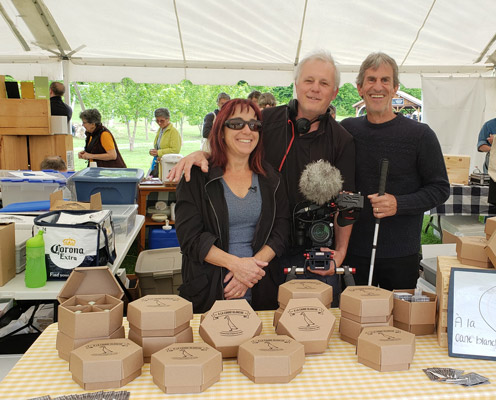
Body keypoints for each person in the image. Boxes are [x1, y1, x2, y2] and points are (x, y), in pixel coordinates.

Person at [168, 51, 355, 306]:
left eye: (324, 83)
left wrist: (341, 253)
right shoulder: (264, 122)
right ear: (296, 85)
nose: (315, 89)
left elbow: (347, 203)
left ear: (334, 93)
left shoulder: (342, 140)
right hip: (256, 262)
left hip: (306, 252)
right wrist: (202, 153)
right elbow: (233, 142)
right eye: (309, 80)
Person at [340, 52, 450, 290]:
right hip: (353, 249)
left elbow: (440, 188)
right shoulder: (347, 130)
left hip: (401, 252)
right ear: (359, 88)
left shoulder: (420, 135)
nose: (377, 87)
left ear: (395, 88)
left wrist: (399, 204)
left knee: (397, 324)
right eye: (370, 80)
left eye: (385, 80)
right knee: (353, 320)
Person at [176, 98, 289, 313]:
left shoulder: (271, 179)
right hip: (208, 293)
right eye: (237, 124)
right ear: (221, 131)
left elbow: (281, 230)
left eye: (254, 125)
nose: (247, 130)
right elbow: (190, 238)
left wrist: (250, 271)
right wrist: (237, 266)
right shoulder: (197, 177)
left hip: (260, 291)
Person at [148, 108, 182, 177]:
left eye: (162, 121)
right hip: (159, 164)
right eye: (157, 121)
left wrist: (158, 152)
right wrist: (153, 152)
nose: (159, 123)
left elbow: (175, 150)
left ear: (168, 119)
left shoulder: (173, 132)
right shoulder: (160, 130)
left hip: (168, 166)